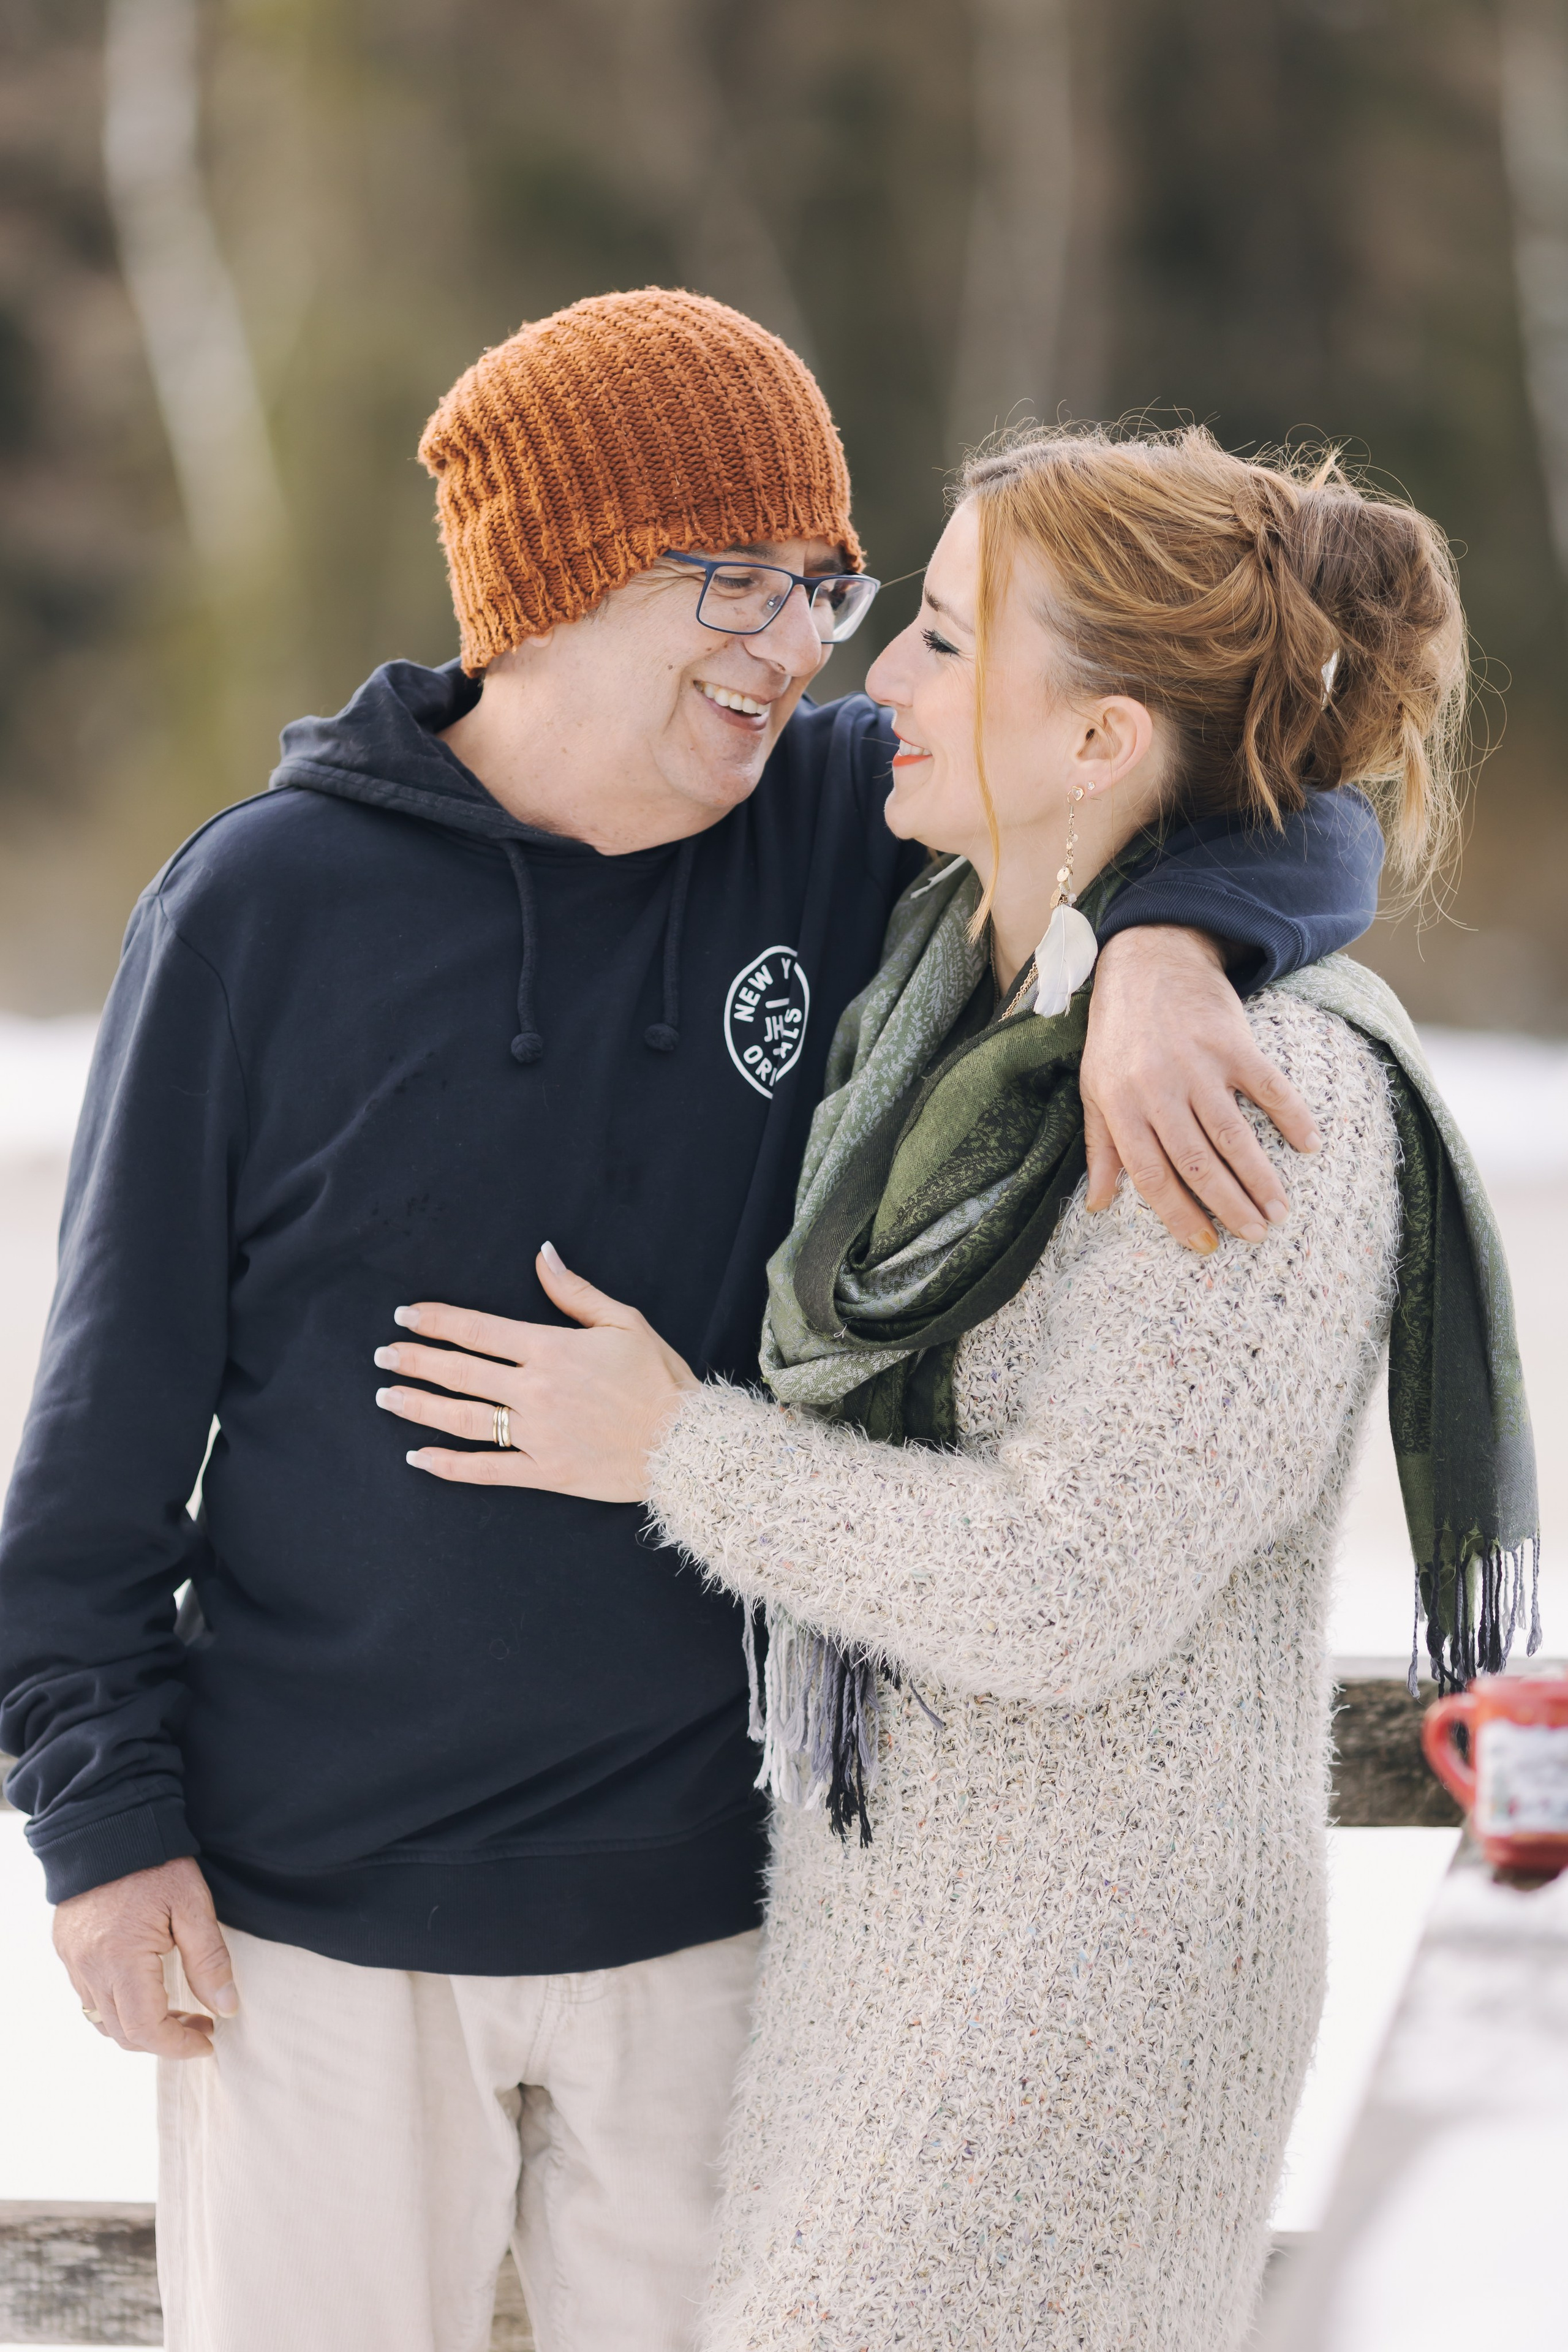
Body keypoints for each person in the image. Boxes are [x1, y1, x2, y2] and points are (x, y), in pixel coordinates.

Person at [1, 295, 1384, 2352]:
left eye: (825, 582)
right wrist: (104, 1834)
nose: (798, 642)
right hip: (310, 1923)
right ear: (549, 583)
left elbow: (1263, 785)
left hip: (717, 1928)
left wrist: (1181, 946)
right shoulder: (260, 912)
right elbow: (100, 1442)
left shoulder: (838, 830)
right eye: (732, 578)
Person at [374, 423, 1538, 2349]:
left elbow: (1073, 1579)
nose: (879, 682)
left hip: (1084, 2003)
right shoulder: (970, 988)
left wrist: (668, 1445)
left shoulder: (1259, 1100)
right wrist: (1170, 939)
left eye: (939, 635)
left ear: (1097, 741)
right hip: (898, 1954)